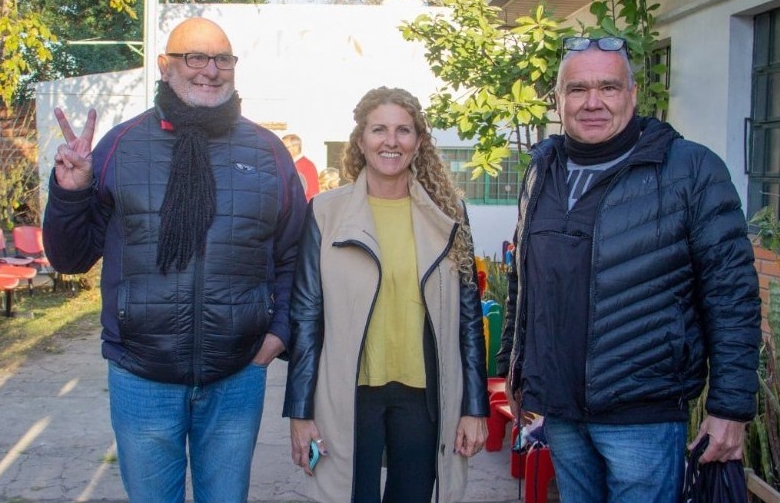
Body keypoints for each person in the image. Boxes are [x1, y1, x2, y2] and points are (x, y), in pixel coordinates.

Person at [42, 17, 307, 503]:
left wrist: (279, 333)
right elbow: (71, 258)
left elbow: (295, 254)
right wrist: (70, 193)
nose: (210, 70)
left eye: (222, 59)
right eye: (195, 57)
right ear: (165, 66)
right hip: (141, 375)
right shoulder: (120, 146)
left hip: (237, 375)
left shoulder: (268, 152)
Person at [496, 35, 762, 503]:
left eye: (609, 87)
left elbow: (732, 296)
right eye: (577, 90)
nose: (592, 102)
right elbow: (525, 279)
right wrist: (515, 372)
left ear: (633, 95)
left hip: (643, 416)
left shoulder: (689, 170)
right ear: (558, 100)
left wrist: (730, 408)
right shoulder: (542, 171)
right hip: (561, 411)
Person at [283, 86, 490, 502]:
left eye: (404, 130)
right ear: (360, 140)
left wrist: (474, 407)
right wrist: (300, 413)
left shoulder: (447, 214)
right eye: (379, 129)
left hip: (423, 396)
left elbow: (469, 319)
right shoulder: (326, 213)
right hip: (348, 395)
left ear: (418, 142)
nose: (391, 141)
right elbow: (306, 318)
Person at [283, 133, 319, 201]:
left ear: (296, 147)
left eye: (285, 147)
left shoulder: (308, 166)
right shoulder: (287, 164)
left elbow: (312, 193)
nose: (282, 150)